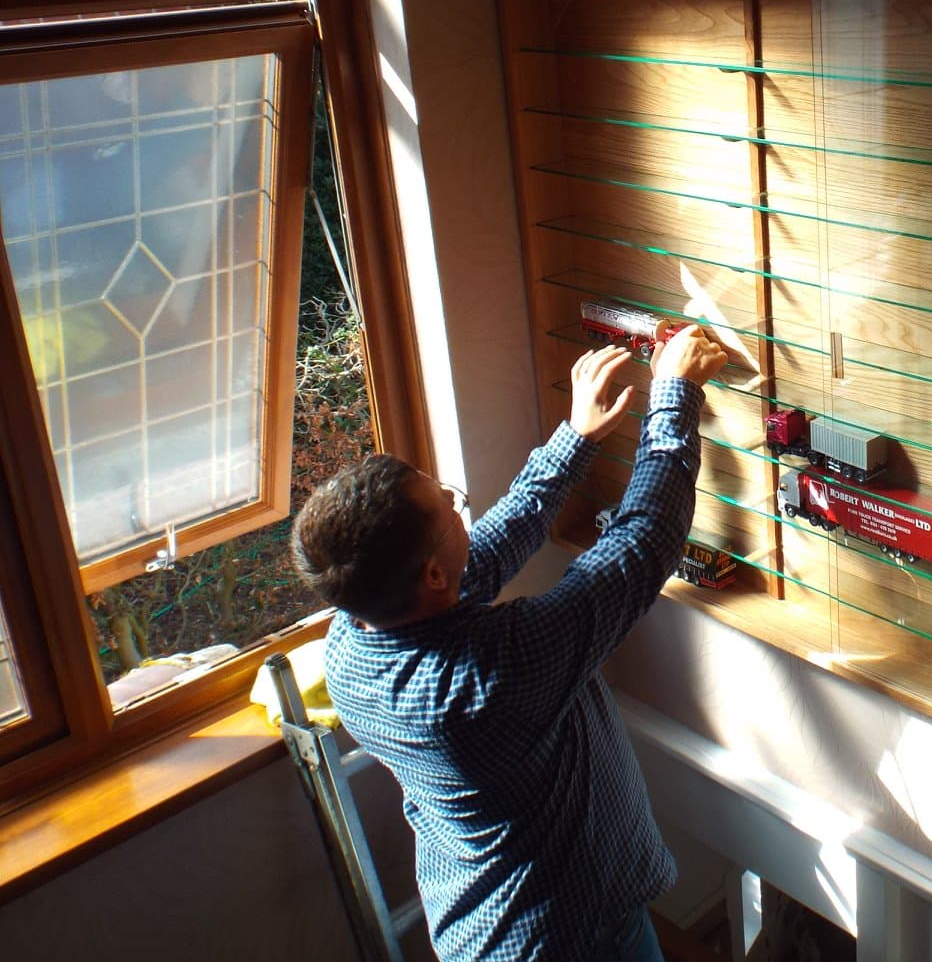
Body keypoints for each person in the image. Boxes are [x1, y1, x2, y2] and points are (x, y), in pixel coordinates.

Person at [292, 325, 729, 961]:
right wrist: (674, 394)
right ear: (430, 576)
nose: (455, 501)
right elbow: (640, 545)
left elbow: (486, 552)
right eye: (447, 506)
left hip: (479, 922)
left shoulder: (353, 636)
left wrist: (576, 437)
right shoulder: (491, 677)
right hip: (571, 940)